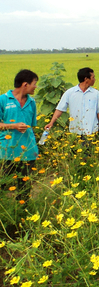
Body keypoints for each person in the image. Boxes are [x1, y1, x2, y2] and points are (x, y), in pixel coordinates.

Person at [1, 70, 39, 201]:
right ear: (25, 84)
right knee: (2, 184)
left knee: (24, 188)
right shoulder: (3, 100)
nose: (35, 87)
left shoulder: (32, 102)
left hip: (28, 151)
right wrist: (14, 126)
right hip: (7, 151)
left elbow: (32, 125)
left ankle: (22, 212)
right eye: (34, 84)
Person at [46, 67, 99, 136]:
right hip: (75, 132)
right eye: (93, 77)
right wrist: (51, 123)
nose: (94, 79)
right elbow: (60, 109)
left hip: (92, 131)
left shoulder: (96, 93)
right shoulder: (70, 93)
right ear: (86, 79)